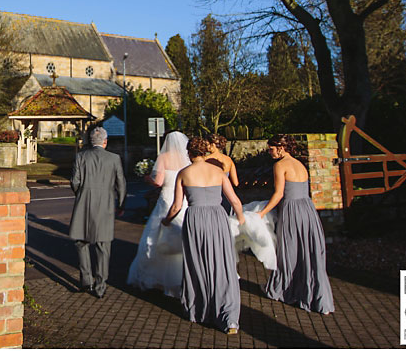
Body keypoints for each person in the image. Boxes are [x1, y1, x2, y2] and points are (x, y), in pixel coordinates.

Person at [163, 136, 245, 334]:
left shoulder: (184, 173)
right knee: (221, 263)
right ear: (205, 152)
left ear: (189, 153)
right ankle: (228, 316)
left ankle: (200, 309)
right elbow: (234, 200)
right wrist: (241, 219)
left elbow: (176, 206)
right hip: (218, 218)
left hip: (196, 220)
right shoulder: (218, 172)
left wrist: (166, 221)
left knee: (198, 263)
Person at [258, 134, 334, 314]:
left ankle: (286, 289)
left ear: (281, 148)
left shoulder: (280, 165)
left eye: (271, 149)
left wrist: (262, 212)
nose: (270, 152)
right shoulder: (300, 164)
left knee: (289, 250)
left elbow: (278, 194)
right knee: (309, 251)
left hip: (292, 210)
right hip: (307, 209)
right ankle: (314, 294)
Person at [127, 131, 191, 294]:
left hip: (166, 199)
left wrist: (147, 178)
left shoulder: (164, 157)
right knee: (182, 235)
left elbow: (158, 182)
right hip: (182, 200)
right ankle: (184, 277)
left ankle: (156, 277)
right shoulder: (187, 157)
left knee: (156, 235)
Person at [68, 126, 127, 298]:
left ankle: (86, 280)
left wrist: (82, 194)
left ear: (90, 141)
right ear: (105, 142)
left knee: (81, 242)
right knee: (103, 246)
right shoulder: (114, 158)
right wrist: (121, 204)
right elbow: (121, 183)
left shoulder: (80, 156)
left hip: (83, 203)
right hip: (106, 205)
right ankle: (101, 286)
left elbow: (75, 181)